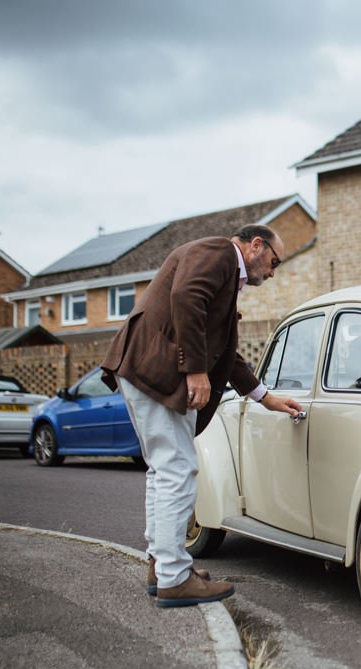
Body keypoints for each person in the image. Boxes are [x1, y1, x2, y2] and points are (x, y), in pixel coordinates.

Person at [102, 224, 301, 608]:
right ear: (255, 246)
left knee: (163, 470)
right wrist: (194, 370)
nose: (273, 272)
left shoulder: (225, 275)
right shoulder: (219, 253)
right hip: (155, 371)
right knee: (177, 469)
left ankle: (163, 566)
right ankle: (175, 578)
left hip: (144, 369)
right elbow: (187, 296)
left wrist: (265, 397)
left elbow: (227, 355)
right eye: (274, 262)